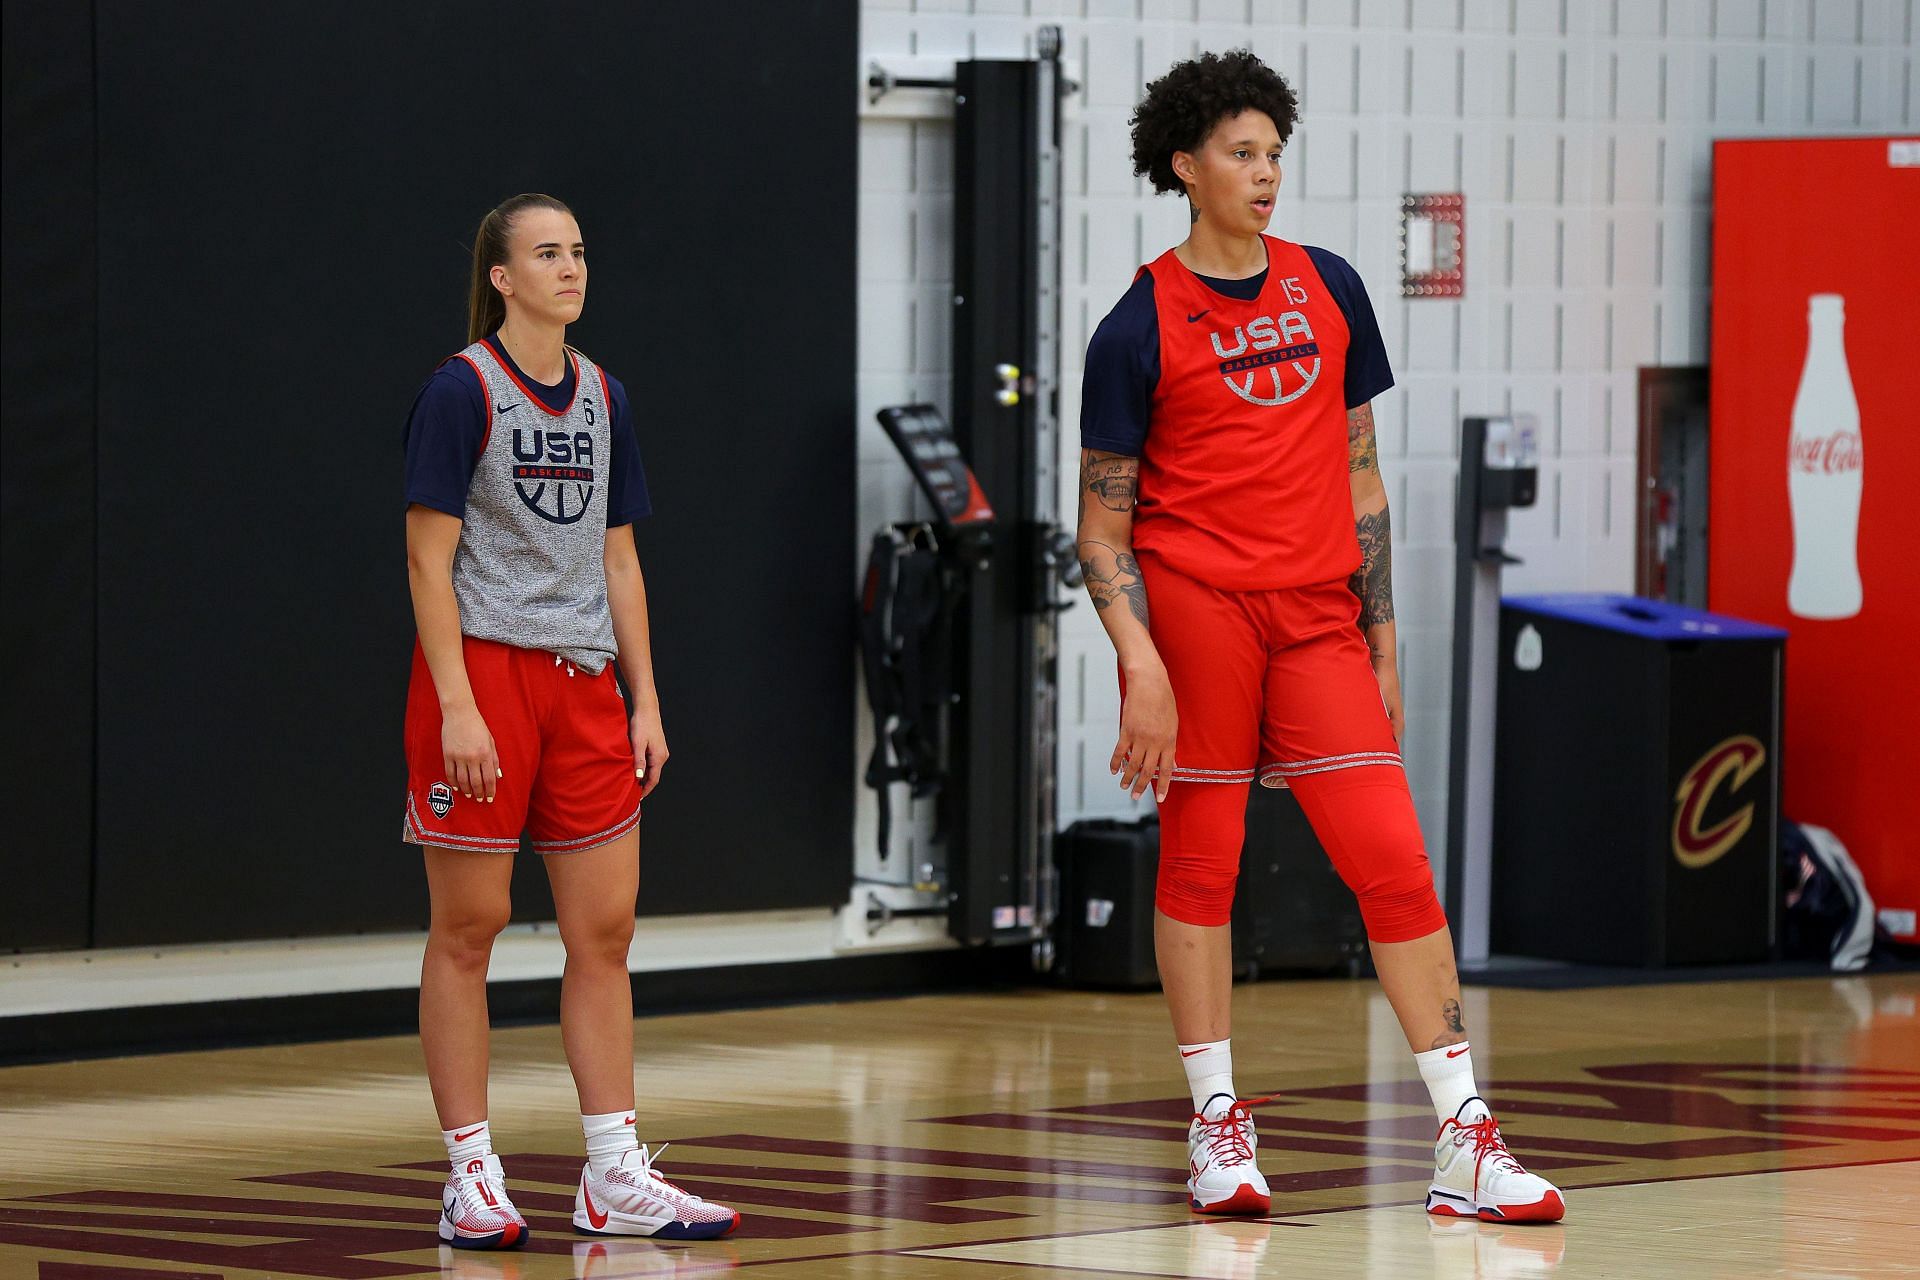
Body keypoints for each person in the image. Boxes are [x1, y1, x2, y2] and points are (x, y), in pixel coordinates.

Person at [1076, 54, 1564, 1224]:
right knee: (1205, 860)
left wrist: (1384, 634)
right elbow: (1101, 525)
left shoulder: (1332, 285)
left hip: (1318, 616)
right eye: (1241, 154)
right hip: (1199, 612)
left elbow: (1364, 476)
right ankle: (1217, 1128)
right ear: (1186, 168)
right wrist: (1139, 661)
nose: (1265, 174)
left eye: (1274, 153)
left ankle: (1464, 1137)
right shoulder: (1136, 321)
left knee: (1392, 858)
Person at [402, 193, 739, 1247]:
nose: (570, 268)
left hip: (585, 680)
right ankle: (469, 1173)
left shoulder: (604, 394)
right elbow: (425, 554)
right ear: (501, 276)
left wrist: (644, 695)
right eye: (547, 253)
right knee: (471, 927)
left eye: (579, 251)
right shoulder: (463, 390)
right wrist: (457, 700)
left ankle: (614, 1173)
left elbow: (619, 555)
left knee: (605, 931)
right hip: (486, 677)